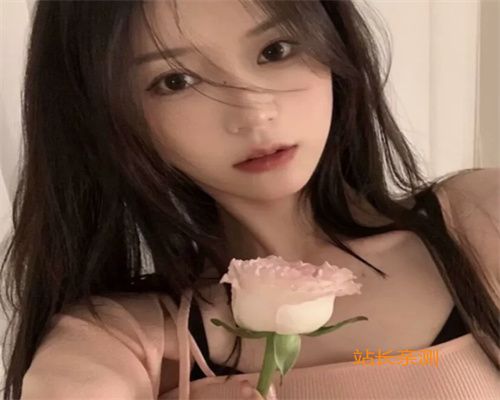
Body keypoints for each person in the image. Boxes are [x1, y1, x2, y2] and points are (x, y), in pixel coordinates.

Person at [0, 0, 498, 399]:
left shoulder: (478, 219)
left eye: (276, 50)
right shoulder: (123, 337)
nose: (253, 112)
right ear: (109, 118)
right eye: (175, 81)